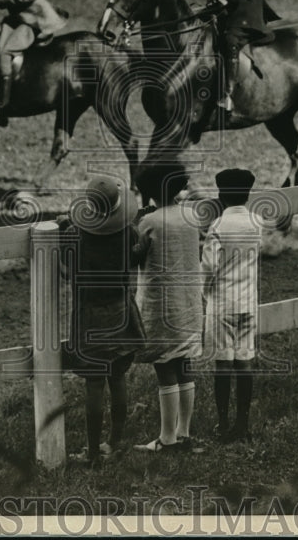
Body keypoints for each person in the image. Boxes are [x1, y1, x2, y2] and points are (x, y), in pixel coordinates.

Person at [59, 175, 145, 467]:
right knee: (117, 378)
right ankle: (115, 441)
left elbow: (65, 271)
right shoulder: (128, 233)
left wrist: (61, 233)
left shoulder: (74, 235)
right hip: (121, 312)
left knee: (94, 385)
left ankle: (93, 452)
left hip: (89, 317)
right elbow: (136, 259)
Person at [133, 164, 204, 452]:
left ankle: (167, 439)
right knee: (184, 364)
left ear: (149, 192)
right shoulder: (190, 215)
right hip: (189, 301)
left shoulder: (150, 222)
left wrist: (133, 227)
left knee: (165, 367)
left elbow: (135, 256)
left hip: (161, 304)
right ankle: (184, 432)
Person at [200, 168, 262, 443]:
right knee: (245, 360)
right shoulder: (257, 222)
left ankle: (223, 424)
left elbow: (209, 267)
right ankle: (243, 424)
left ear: (221, 195)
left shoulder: (217, 227)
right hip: (248, 300)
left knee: (223, 364)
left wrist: (204, 291)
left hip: (223, 301)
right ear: (247, 195)